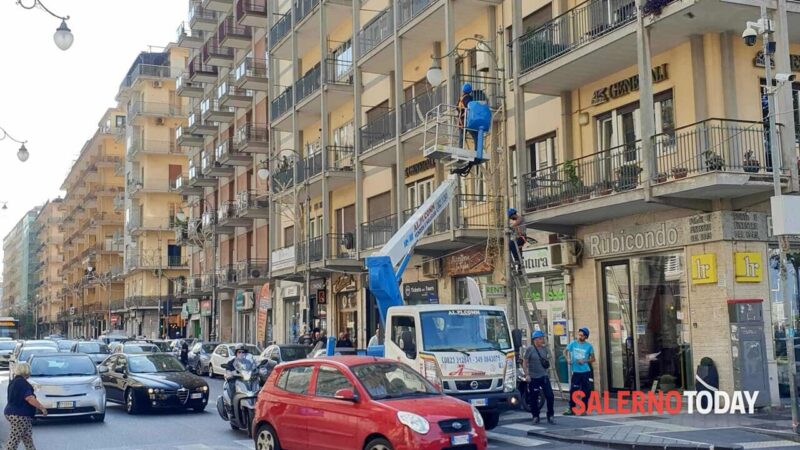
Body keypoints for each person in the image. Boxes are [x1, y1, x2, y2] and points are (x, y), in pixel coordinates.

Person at [5, 363, 47, 450]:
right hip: (19, 415)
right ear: (26, 371)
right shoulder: (23, 384)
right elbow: (29, 398)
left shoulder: (14, 382)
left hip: (13, 412)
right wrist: (42, 408)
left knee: (27, 437)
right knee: (14, 439)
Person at [523, 330, 555, 424]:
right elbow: (525, 362)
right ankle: (535, 416)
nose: (542, 340)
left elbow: (548, 359)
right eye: (540, 338)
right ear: (535, 340)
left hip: (544, 376)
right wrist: (527, 374)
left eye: (542, 338)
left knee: (550, 396)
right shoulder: (530, 349)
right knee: (534, 397)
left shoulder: (545, 349)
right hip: (533, 377)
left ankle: (550, 415)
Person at [563, 327, 595, 416]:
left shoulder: (589, 346)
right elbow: (565, 351)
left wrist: (584, 361)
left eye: (581, 335)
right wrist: (568, 359)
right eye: (579, 334)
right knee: (573, 390)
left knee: (585, 391)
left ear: (585, 337)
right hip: (576, 372)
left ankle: (584, 409)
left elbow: (593, 359)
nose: (579, 336)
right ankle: (571, 409)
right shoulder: (573, 343)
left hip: (585, 371)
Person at [457, 83, 477, 148]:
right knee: (476, 136)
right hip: (468, 119)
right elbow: (471, 107)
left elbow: (457, 108)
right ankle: (477, 149)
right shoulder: (469, 98)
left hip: (461, 120)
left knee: (461, 137)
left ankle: (460, 149)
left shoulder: (460, 99)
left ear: (463, 90)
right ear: (470, 91)